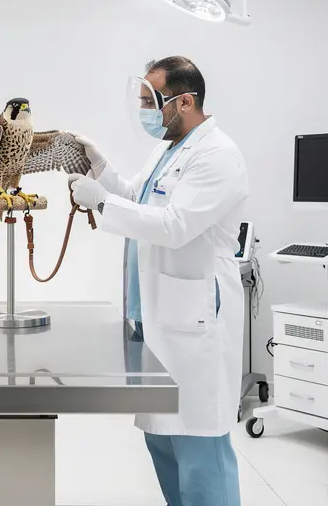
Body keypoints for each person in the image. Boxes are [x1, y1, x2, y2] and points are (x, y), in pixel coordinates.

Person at [69, 56, 249, 506]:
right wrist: (101, 169)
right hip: (157, 317)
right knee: (162, 439)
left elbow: (174, 225)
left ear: (184, 101)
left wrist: (101, 203)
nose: (144, 111)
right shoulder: (170, 148)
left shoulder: (218, 155)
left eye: (151, 101)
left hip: (195, 320)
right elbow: (139, 197)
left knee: (200, 445)